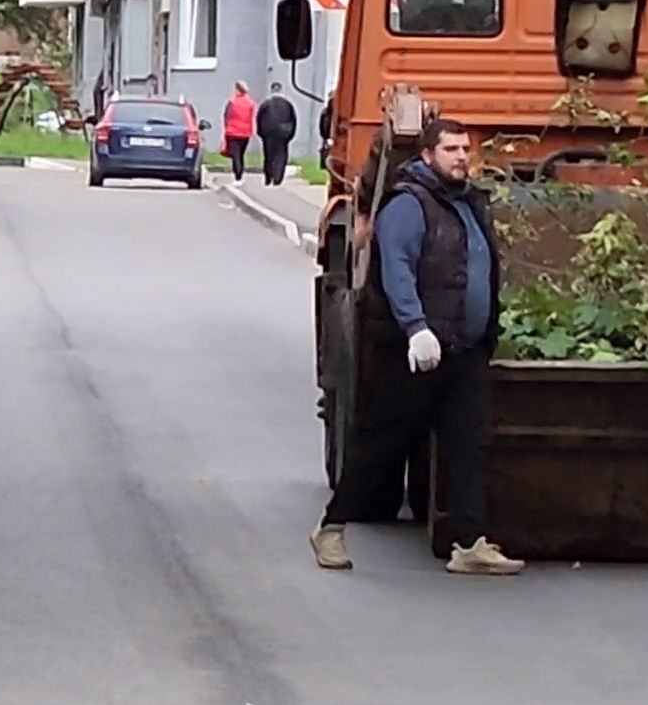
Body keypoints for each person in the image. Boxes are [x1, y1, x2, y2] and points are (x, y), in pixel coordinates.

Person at [309, 118, 524, 577]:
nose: (462, 157)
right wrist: (415, 328)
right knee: (381, 444)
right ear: (427, 155)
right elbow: (398, 269)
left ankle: (468, 543)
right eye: (451, 149)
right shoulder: (408, 205)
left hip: (463, 350)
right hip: (415, 353)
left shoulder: (467, 202)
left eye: (465, 149)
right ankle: (331, 528)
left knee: (468, 446)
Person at [255, 82, 298, 185]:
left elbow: (258, 119)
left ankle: (268, 177)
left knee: (269, 156)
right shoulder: (287, 104)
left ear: (271, 90)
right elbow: (293, 120)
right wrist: (291, 134)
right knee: (281, 155)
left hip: (268, 133)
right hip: (284, 133)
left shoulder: (266, 104)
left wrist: (260, 133)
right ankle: (278, 178)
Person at [222, 81, 256, 182]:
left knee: (235, 155)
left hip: (233, 132)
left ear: (237, 89)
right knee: (241, 154)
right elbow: (251, 117)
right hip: (245, 133)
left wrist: (226, 128)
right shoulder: (251, 103)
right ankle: (240, 174)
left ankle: (238, 176)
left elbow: (226, 115)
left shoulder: (232, 102)